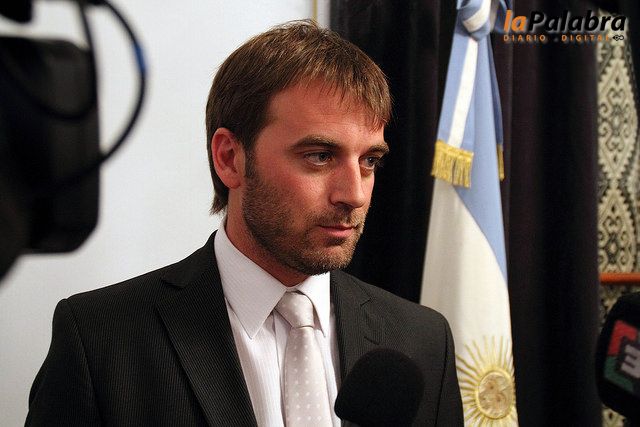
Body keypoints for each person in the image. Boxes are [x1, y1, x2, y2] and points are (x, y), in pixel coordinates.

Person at [26, 20, 463, 426]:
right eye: (319, 156)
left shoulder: (422, 341)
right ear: (230, 159)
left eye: (369, 161)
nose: (355, 194)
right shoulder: (100, 339)